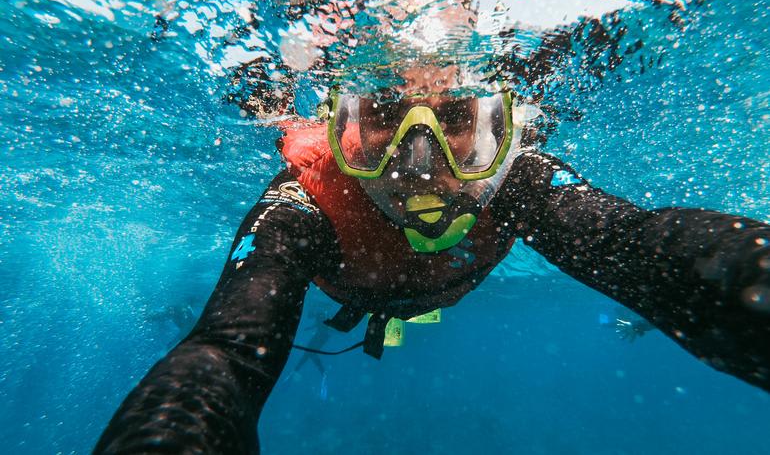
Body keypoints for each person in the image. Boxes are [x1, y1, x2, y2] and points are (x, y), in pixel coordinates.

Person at [94, 60, 770, 453]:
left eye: (452, 121)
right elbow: (224, 354)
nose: (418, 165)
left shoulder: (521, 183)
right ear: (343, 129)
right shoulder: (305, 202)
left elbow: (636, 243)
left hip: (409, 294)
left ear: (493, 132)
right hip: (370, 289)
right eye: (385, 114)